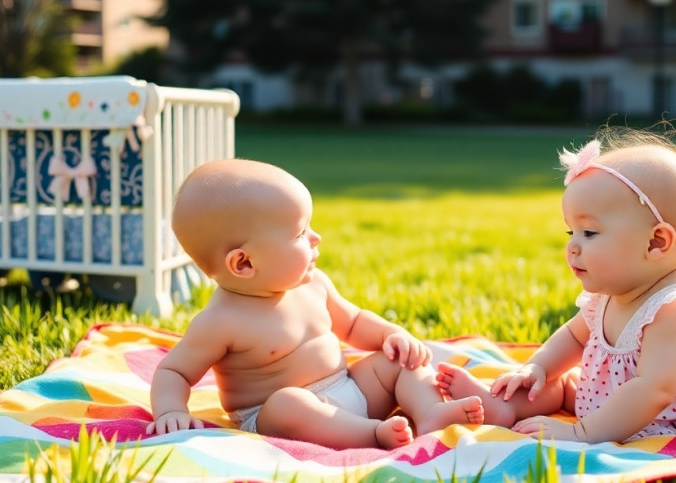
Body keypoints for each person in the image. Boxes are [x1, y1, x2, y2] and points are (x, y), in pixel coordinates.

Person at [436, 127, 676, 443]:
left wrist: (580, 433)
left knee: (600, 402)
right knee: (557, 382)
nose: (573, 247)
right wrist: (537, 366)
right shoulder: (609, 293)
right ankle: (502, 405)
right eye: (570, 232)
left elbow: (654, 390)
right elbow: (574, 337)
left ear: (656, 242)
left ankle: (545, 410)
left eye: (589, 233)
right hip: (619, 399)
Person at [146, 158, 484, 449]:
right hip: (282, 417)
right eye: (299, 233)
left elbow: (353, 323)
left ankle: (428, 413)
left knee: (400, 362)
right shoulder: (221, 321)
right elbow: (174, 370)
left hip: (351, 389)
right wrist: (171, 410)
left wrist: (390, 336)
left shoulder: (314, 284)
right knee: (287, 403)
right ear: (244, 264)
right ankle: (371, 435)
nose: (316, 237)